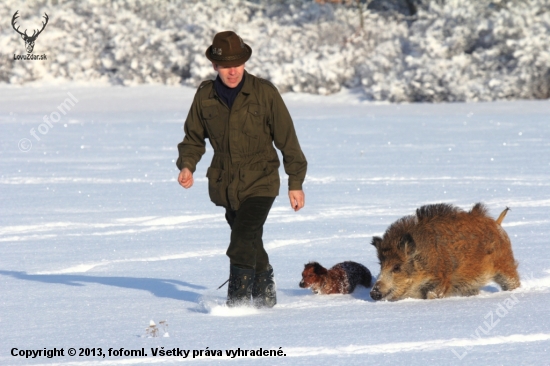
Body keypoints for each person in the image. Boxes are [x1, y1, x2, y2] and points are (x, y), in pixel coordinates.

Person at [176, 31, 307, 308]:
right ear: (215, 66)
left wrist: (295, 182)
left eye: (237, 64)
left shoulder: (264, 93)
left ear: (245, 62)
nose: (232, 71)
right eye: (225, 65)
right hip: (225, 184)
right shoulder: (205, 97)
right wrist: (188, 166)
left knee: (243, 236)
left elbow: (288, 140)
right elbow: (193, 138)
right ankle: (264, 288)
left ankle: (238, 303)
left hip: (261, 179)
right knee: (249, 238)